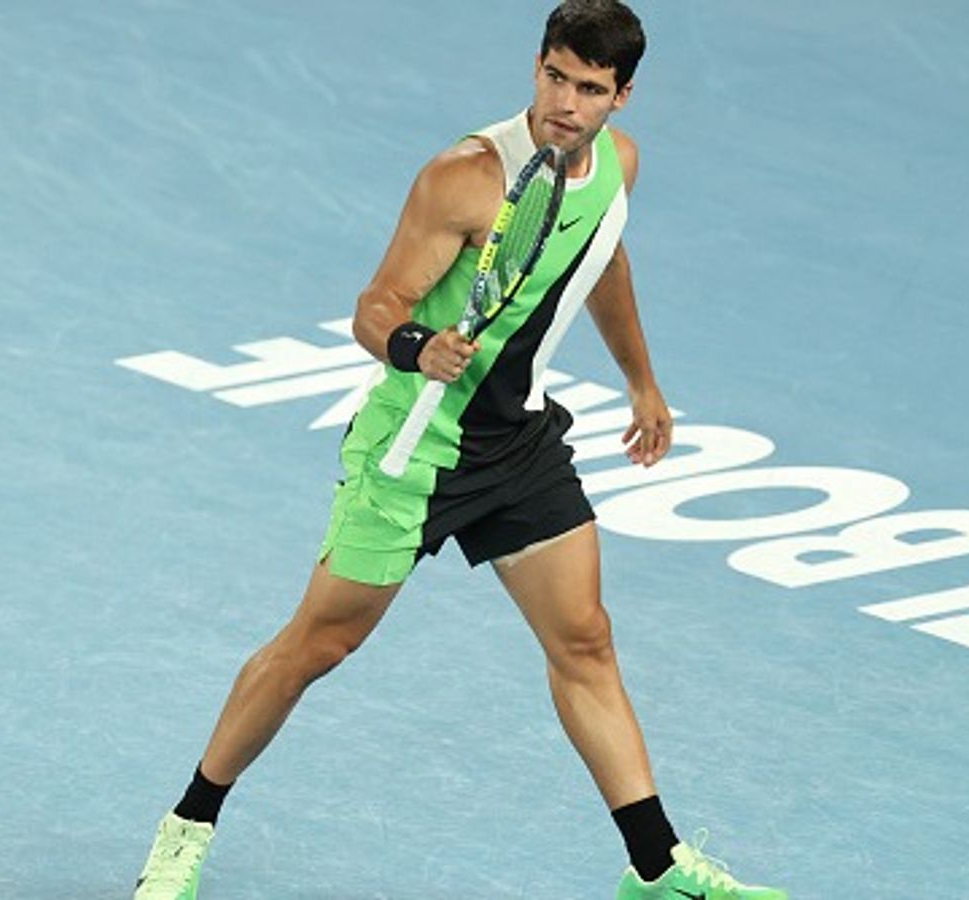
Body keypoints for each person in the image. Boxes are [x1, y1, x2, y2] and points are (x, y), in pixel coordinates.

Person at [133, 2, 787, 898]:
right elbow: (377, 302)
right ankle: (187, 825)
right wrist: (415, 346)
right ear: (536, 67)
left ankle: (656, 868)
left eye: (590, 89)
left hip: (516, 443)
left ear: (622, 97)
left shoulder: (617, 168)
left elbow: (602, 261)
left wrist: (643, 381)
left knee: (585, 642)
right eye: (555, 76)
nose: (565, 102)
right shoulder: (466, 177)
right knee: (315, 647)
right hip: (414, 449)